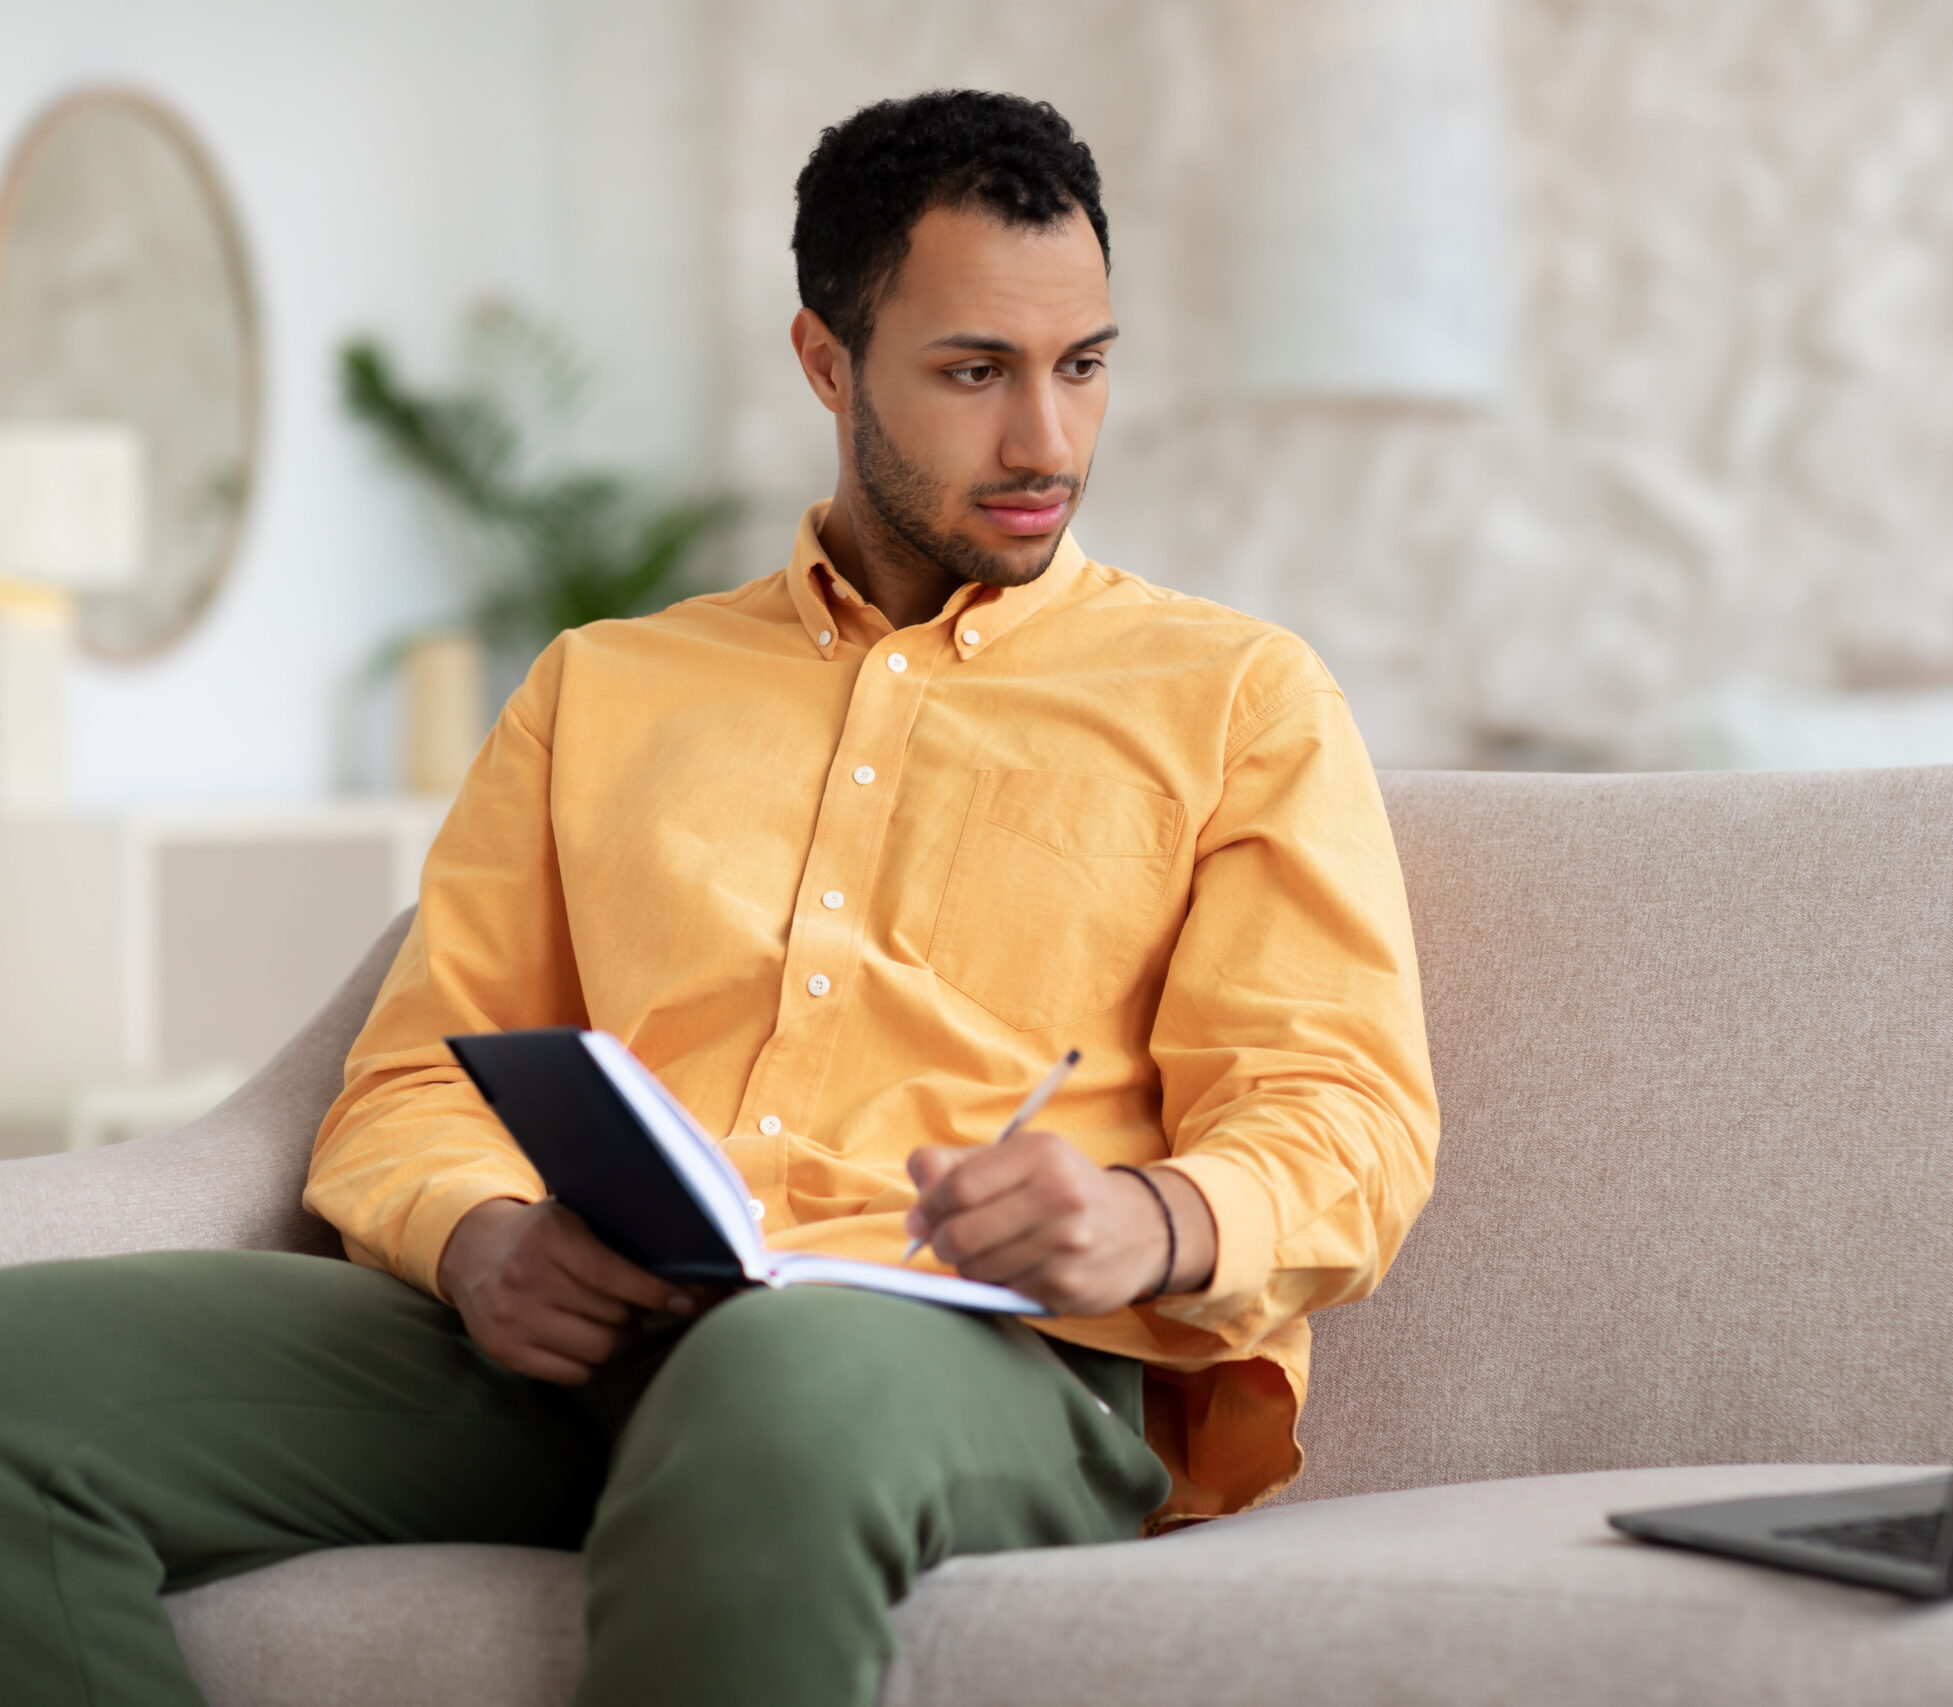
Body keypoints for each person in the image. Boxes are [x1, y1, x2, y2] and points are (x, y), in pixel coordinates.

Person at [0, 90, 1436, 1707]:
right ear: (827, 363)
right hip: (582, 1346)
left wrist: (1147, 1218)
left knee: (773, 1384)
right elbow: (412, 1079)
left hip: (979, 1366)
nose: (1048, 442)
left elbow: (1346, 1116)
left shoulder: (1237, 694)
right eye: (976, 373)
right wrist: (479, 1241)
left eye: (1084, 365)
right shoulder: (605, 687)